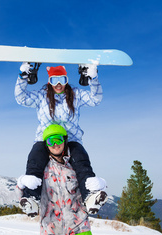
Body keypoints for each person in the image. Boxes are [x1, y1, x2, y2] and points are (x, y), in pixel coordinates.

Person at [17, 124, 112, 235]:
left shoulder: (74, 165)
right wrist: (22, 183)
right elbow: (26, 191)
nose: (55, 144)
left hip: (79, 227)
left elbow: (88, 183)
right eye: (50, 141)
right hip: (51, 229)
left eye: (58, 139)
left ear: (65, 141)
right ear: (45, 144)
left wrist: (100, 184)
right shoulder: (41, 169)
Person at [15, 62, 107, 209]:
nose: (58, 84)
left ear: (67, 80)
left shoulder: (75, 95)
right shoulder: (41, 96)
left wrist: (93, 79)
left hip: (70, 138)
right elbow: (21, 98)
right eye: (54, 80)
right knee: (35, 160)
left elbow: (95, 99)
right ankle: (31, 198)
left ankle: (90, 195)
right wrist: (22, 77)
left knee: (81, 160)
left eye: (62, 80)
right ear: (49, 82)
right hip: (46, 138)